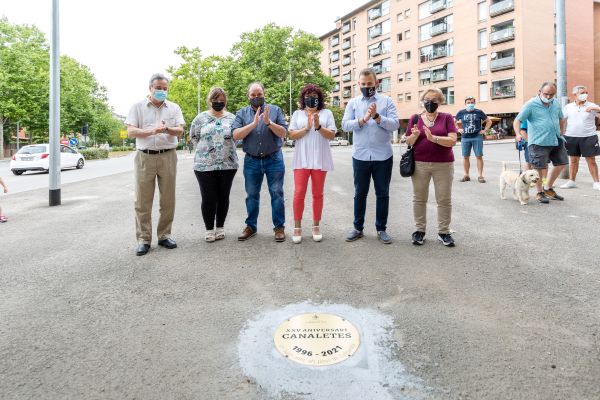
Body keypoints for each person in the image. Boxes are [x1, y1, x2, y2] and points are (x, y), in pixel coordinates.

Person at [125, 73, 185, 256]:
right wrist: (152, 131)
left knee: (168, 199)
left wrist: (166, 129)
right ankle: (144, 239)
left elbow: (180, 131)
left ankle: (165, 235)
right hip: (145, 157)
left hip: (168, 156)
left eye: (165, 89)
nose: (162, 91)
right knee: (142, 201)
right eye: (158, 88)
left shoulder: (173, 108)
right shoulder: (137, 107)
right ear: (150, 88)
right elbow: (130, 132)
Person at [342, 67, 399, 244]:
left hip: (383, 156)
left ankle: (381, 229)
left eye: (370, 84)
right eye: (363, 84)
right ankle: (358, 228)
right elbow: (345, 125)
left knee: (382, 193)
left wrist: (377, 117)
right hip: (360, 156)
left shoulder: (387, 101)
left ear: (376, 83)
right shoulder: (353, 103)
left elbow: (395, 124)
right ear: (358, 84)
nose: (367, 86)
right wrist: (363, 120)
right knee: (360, 193)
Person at [232, 82, 288, 242]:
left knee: (277, 194)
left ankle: (279, 227)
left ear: (264, 93)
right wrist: (254, 124)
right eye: (253, 95)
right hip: (252, 160)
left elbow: (283, 132)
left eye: (259, 94)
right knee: (251, 195)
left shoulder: (275, 110)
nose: (256, 97)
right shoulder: (241, 113)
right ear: (248, 96)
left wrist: (269, 122)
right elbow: (236, 135)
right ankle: (251, 226)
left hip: (274, 159)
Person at [405, 88, 458, 247]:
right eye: (427, 99)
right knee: (419, 198)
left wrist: (433, 138)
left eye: (434, 100)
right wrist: (413, 137)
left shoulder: (447, 118)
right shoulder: (415, 118)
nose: (430, 103)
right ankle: (419, 230)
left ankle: (444, 232)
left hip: (444, 164)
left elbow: (452, 140)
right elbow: (408, 142)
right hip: (420, 164)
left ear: (440, 102)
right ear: (422, 100)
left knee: (444, 199)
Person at [288, 83, 336, 244]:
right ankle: (297, 227)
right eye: (308, 96)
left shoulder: (327, 113)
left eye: (314, 96)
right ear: (303, 98)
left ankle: (316, 226)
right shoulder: (297, 114)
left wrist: (318, 126)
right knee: (299, 193)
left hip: (320, 159)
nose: (311, 99)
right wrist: (307, 128)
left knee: (318, 193)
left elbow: (331, 135)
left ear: (319, 99)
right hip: (301, 159)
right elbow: (292, 135)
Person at [189, 87, 238, 242]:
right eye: (215, 100)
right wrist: (207, 152)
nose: (218, 102)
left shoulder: (232, 118)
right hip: (204, 165)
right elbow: (194, 137)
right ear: (209, 101)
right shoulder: (200, 118)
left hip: (227, 164)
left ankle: (220, 227)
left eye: (221, 100)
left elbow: (237, 136)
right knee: (208, 197)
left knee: (223, 196)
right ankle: (209, 229)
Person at [513, 82, 567, 204]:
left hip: (556, 139)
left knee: (562, 163)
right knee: (539, 168)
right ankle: (539, 192)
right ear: (540, 92)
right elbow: (517, 120)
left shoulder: (556, 103)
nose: (548, 97)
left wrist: (562, 132)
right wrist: (517, 134)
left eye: (551, 94)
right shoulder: (531, 104)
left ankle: (548, 188)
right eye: (546, 94)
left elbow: (561, 118)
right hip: (538, 141)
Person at [560, 85, 600, 190]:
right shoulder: (568, 107)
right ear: (575, 95)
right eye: (582, 93)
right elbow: (561, 120)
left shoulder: (592, 105)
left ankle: (596, 182)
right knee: (573, 160)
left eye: (586, 92)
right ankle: (571, 181)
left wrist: (596, 109)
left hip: (589, 137)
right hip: (571, 137)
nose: (585, 95)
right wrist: (560, 133)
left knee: (591, 160)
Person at [455, 96, 492, 183]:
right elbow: (453, 122)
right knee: (465, 157)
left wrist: (484, 130)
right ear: (465, 104)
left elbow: (489, 121)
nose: (470, 104)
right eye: (468, 103)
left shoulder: (479, 112)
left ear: (474, 103)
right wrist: (458, 129)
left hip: (477, 137)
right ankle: (466, 175)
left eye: (472, 102)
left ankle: (480, 176)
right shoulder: (461, 112)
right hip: (465, 138)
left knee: (479, 156)